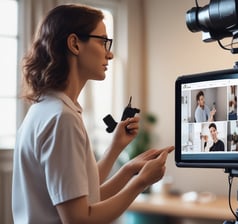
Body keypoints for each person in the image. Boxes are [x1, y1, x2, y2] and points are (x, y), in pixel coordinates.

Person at [12, 4, 174, 224]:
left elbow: (80, 195)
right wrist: (141, 182)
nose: (110, 52)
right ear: (75, 44)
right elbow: (79, 219)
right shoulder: (62, 118)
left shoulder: (44, 109)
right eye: (103, 41)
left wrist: (125, 164)